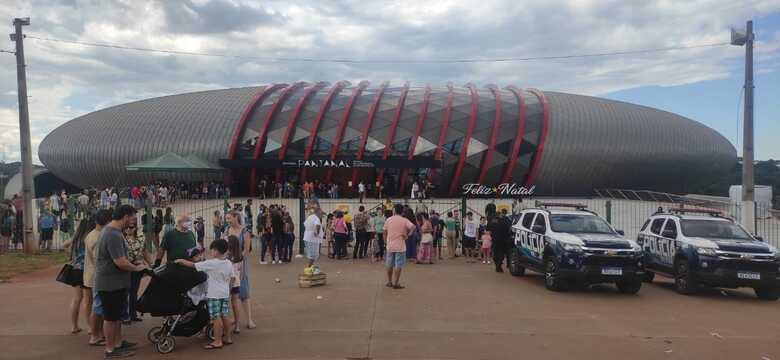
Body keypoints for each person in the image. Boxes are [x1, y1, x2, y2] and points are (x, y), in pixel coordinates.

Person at [94, 205, 147, 358]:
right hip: (110, 284)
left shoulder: (113, 232)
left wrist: (134, 263)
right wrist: (136, 268)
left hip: (116, 283)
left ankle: (117, 343)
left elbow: (121, 259)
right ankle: (110, 349)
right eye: (132, 218)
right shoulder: (113, 234)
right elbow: (120, 262)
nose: (133, 222)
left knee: (116, 316)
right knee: (111, 318)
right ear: (125, 217)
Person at [175, 239, 235, 350]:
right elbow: (232, 278)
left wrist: (181, 261)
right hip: (225, 293)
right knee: (224, 315)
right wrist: (229, 289)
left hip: (214, 294)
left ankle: (217, 341)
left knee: (216, 317)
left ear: (216, 251)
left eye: (212, 250)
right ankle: (228, 337)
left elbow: (193, 265)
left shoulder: (212, 263)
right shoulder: (228, 263)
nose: (211, 252)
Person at [224, 210, 256, 329]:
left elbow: (246, 249)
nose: (227, 221)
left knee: (243, 289)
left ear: (236, 217)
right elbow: (223, 244)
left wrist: (237, 259)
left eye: (229, 218)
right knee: (230, 291)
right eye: (226, 218)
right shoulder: (227, 230)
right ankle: (235, 318)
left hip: (240, 262)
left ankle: (249, 319)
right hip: (229, 262)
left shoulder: (245, 231)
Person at [63, 217, 95, 335]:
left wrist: (71, 254)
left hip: (75, 269)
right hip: (86, 270)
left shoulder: (76, 238)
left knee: (77, 298)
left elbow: (64, 244)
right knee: (88, 299)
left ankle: (74, 325)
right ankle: (90, 326)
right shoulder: (89, 237)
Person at [84, 209, 111, 346]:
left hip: (95, 274)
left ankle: (99, 333)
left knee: (99, 307)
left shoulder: (95, 234)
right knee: (98, 307)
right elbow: (99, 260)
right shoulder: (97, 237)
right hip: (97, 275)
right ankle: (95, 335)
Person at [384, 204, 415, 289]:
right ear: (402, 212)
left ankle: (389, 282)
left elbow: (384, 232)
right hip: (400, 246)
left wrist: (385, 242)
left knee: (389, 264)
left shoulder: (388, 219)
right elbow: (413, 227)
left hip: (390, 245)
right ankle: (396, 283)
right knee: (398, 264)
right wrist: (408, 235)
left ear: (394, 210)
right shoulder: (404, 220)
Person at [123, 222, 146, 324]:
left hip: (137, 267)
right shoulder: (121, 239)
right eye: (126, 227)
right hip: (126, 268)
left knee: (134, 291)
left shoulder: (141, 238)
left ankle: (133, 314)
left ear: (135, 228)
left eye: (131, 227)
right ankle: (125, 316)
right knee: (125, 292)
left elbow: (144, 251)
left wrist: (150, 264)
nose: (128, 229)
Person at [226, 235, 244, 334]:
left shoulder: (227, 257)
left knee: (226, 304)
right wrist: (239, 281)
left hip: (227, 283)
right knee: (235, 304)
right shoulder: (240, 256)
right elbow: (241, 272)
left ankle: (227, 324)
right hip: (236, 283)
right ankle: (237, 325)